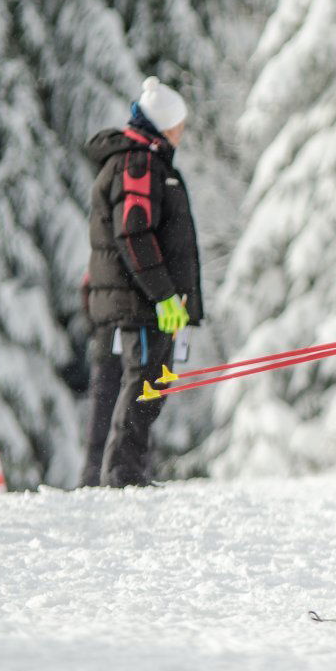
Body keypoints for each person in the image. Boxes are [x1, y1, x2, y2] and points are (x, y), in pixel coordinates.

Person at [86, 76, 203, 487]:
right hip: (143, 299)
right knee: (145, 379)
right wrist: (164, 296)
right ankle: (123, 472)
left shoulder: (147, 160)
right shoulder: (138, 163)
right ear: (163, 125)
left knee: (151, 378)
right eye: (178, 125)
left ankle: (128, 468)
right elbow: (134, 233)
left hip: (146, 298)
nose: (181, 133)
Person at [78, 272, 123, 487]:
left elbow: (87, 295)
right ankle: (94, 477)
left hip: (109, 341)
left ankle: (97, 475)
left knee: (107, 415)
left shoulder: (100, 264)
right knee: (105, 415)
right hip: (110, 345)